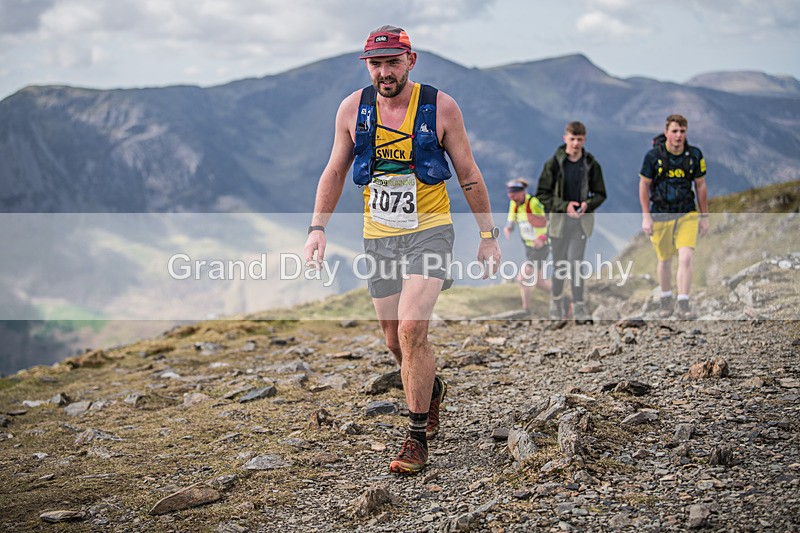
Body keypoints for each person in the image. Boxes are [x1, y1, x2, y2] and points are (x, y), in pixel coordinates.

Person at [304, 25, 501, 474]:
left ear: (411, 61)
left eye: (393, 62)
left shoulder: (440, 107)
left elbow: (468, 173)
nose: (385, 71)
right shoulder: (353, 109)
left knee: (412, 330)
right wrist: (317, 228)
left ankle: (415, 438)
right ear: (367, 66)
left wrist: (488, 237)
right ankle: (429, 390)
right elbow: (335, 171)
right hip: (380, 237)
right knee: (394, 341)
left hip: (431, 232)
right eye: (376, 63)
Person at [536, 121, 606, 323]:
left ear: (584, 140)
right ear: (565, 138)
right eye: (572, 138)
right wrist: (564, 205)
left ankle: (579, 306)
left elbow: (601, 193)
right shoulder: (553, 164)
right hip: (558, 222)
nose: (576, 143)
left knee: (575, 263)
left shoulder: (591, 164)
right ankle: (556, 302)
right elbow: (542, 194)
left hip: (580, 224)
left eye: (580, 139)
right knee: (559, 265)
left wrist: (587, 205)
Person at [639, 114, 708, 319]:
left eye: (682, 131)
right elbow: (644, 185)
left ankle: (683, 302)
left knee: (685, 257)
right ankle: (666, 298)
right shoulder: (653, 157)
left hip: (687, 212)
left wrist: (704, 216)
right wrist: (645, 216)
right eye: (675, 131)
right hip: (661, 214)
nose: (679, 135)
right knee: (665, 260)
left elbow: (701, 185)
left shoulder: (694, 155)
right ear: (666, 131)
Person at [503, 179, 551, 314]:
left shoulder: (534, 203)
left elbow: (548, 221)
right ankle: (562, 300)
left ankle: (526, 310)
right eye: (510, 196)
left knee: (522, 278)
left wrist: (542, 237)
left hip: (541, 247)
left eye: (514, 195)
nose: (512, 198)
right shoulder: (515, 203)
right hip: (529, 246)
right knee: (540, 283)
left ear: (522, 192)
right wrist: (509, 227)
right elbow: (512, 217)